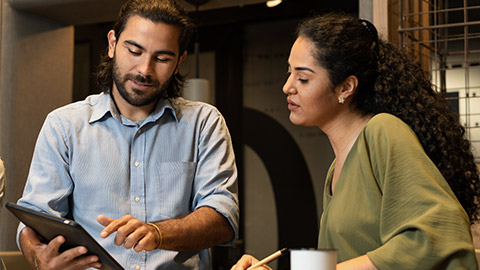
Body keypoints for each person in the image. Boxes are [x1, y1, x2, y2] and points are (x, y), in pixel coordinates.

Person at [232, 12, 479, 270]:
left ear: (346, 88)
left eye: (303, 78)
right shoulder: (334, 169)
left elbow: (437, 236)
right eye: (289, 73)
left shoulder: (383, 132)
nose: (287, 87)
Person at [16, 0, 239, 269]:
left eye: (162, 58)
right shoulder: (63, 126)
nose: (145, 69)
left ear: (179, 61)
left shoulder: (204, 123)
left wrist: (158, 233)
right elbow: (35, 219)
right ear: (112, 44)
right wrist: (40, 256)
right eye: (134, 51)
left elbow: (222, 219)